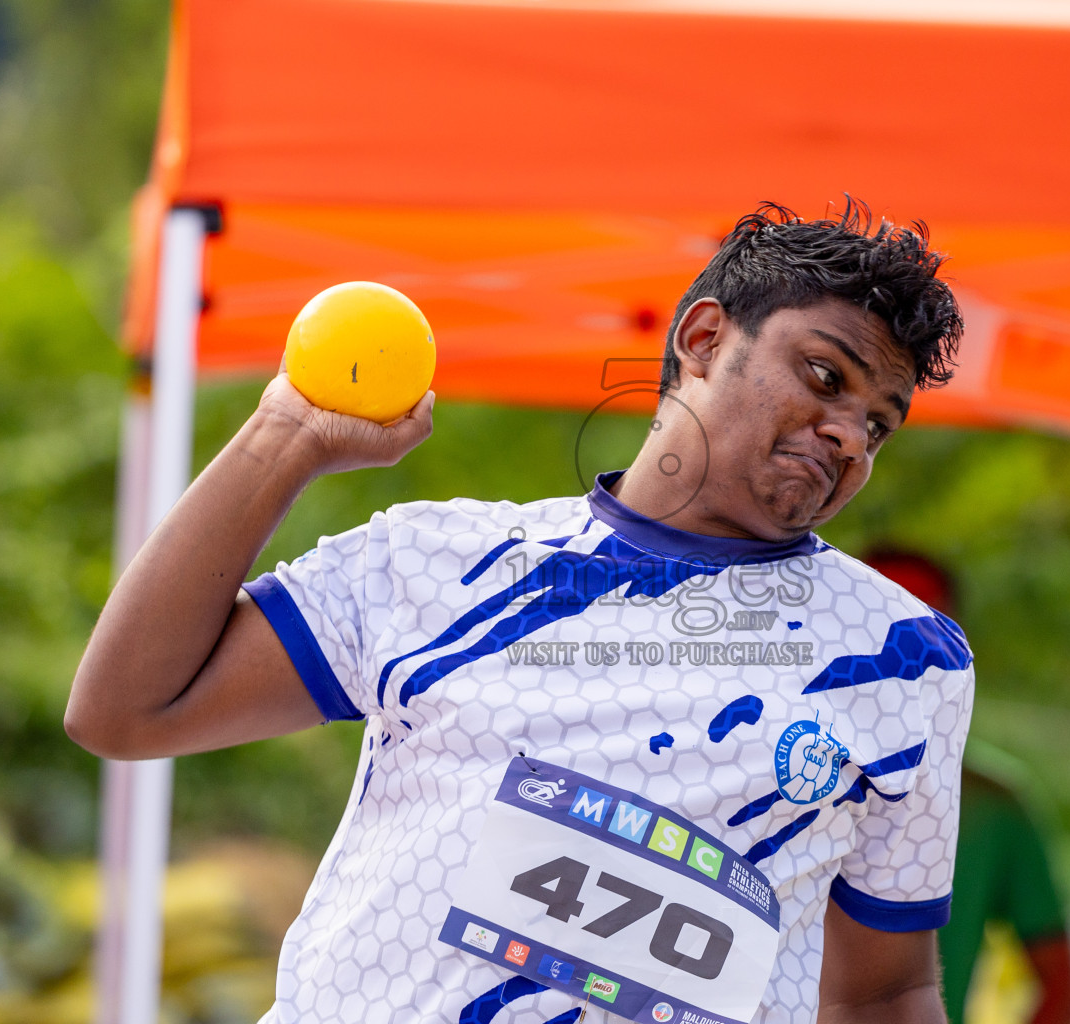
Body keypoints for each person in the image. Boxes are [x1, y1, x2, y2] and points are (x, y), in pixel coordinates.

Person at [67, 201, 972, 1024]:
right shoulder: (435, 562)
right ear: (702, 338)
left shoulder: (904, 662)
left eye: (878, 424)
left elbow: (886, 992)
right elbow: (126, 709)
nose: (849, 436)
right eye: (823, 376)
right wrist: (287, 437)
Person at [864, 551, 1070, 1024]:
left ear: (955, 645)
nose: (899, 647)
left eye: (921, 623)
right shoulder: (768, 774)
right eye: (875, 616)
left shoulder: (993, 804)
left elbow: (1061, 984)